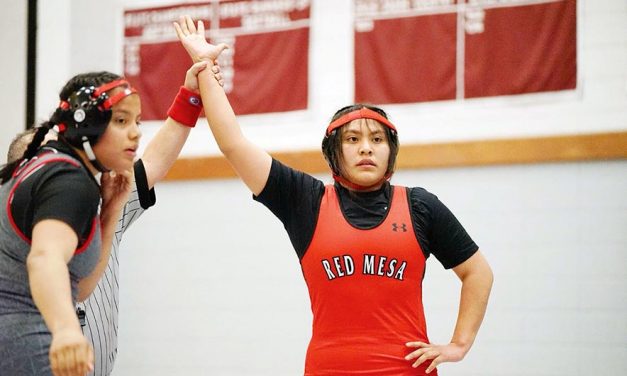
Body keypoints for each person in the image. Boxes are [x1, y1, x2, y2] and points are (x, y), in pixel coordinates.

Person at [175, 15, 494, 375]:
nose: (366, 149)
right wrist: (204, 66)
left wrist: (459, 344)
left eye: (376, 140)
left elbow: (478, 272)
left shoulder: (420, 205)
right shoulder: (305, 200)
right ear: (334, 152)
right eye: (352, 140)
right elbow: (233, 144)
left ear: (391, 151)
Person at [3, 62, 222, 376]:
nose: (136, 133)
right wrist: (66, 330)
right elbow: (45, 258)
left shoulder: (95, 188)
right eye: (121, 120)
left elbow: (77, 289)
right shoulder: (65, 179)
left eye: (136, 121)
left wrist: (109, 213)